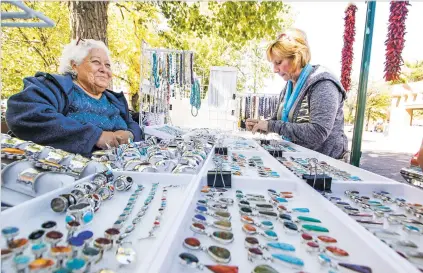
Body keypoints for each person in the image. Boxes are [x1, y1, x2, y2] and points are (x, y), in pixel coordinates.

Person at [6, 38, 142, 157]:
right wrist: (95, 136)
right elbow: (26, 114)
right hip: (65, 171)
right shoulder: (54, 86)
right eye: (96, 62)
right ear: (74, 65)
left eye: (107, 65)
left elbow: (132, 125)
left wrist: (130, 135)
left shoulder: (114, 100)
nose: (104, 69)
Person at [246, 28, 348, 160]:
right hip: (299, 162)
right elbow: (281, 122)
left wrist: (271, 126)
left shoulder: (323, 83)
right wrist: (261, 125)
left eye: (278, 63)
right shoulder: (288, 86)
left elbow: (318, 132)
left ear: (296, 58)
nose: (275, 70)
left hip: (325, 167)